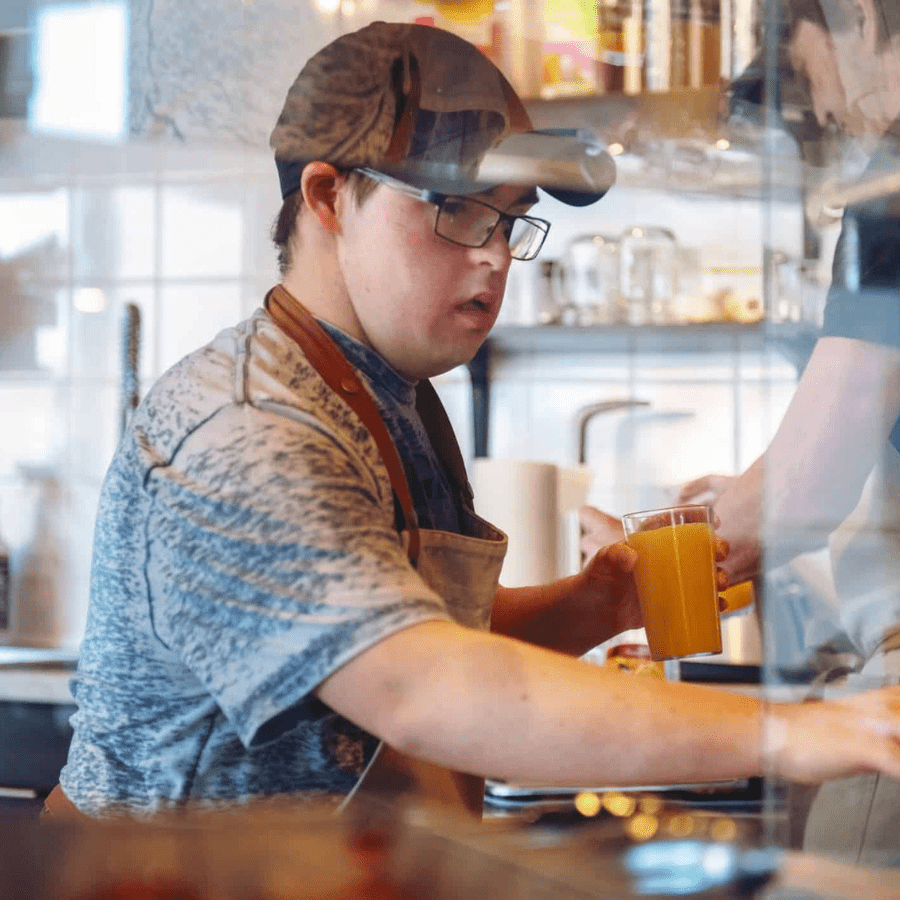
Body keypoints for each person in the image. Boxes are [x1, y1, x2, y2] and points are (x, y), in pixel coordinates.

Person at [50, 20, 900, 822]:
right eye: (456, 209)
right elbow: (417, 685)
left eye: (510, 215)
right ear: (328, 197)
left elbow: (414, 626)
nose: (495, 253)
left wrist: (600, 602)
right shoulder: (249, 428)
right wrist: (785, 730)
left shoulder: (392, 397)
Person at [583, 0, 900, 865]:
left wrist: (654, 553)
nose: (825, 115)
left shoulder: (894, 185)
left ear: (862, 19)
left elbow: (805, 491)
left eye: (807, 72)